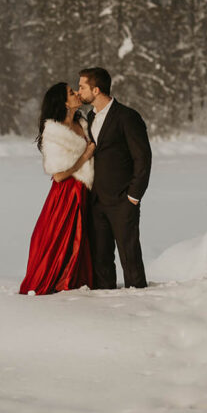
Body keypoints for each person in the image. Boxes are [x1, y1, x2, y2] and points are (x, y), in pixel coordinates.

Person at [78, 66, 152, 289]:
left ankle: (139, 303)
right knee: (101, 260)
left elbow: (143, 158)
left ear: (96, 89)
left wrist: (133, 195)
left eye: (82, 87)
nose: (78, 91)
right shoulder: (89, 117)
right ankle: (107, 308)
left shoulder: (127, 117)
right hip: (96, 200)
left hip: (122, 200)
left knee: (130, 259)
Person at [19, 82, 95, 295]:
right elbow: (59, 175)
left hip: (84, 190)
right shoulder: (53, 132)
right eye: (72, 93)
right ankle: (63, 282)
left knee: (84, 240)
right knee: (64, 240)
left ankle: (80, 279)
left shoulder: (83, 122)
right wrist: (85, 157)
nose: (77, 94)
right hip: (66, 194)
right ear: (63, 102)